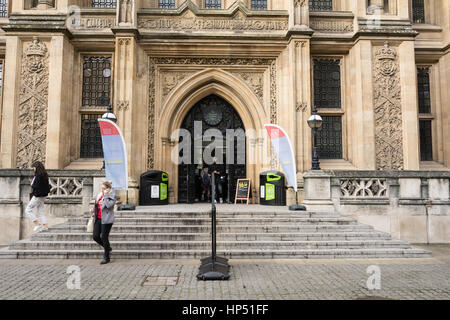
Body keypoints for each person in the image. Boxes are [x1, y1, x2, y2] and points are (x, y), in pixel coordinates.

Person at [91, 181, 116, 265]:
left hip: (107, 220)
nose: (102, 190)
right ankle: (108, 248)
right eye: (101, 188)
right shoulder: (98, 196)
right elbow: (97, 205)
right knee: (95, 236)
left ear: (108, 189)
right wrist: (93, 209)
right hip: (98, 218)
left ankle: (106, 257)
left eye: (104, 188)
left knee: (104, 237)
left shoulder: (112, 196)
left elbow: (108, 206)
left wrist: (105, 195)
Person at [26, 161, 51, 232]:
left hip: (38, 195)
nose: (33, 169)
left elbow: (36, 186)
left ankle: (37, 224)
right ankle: (45, 226)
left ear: (37, 167)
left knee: (28, 210)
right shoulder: (45, 175)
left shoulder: (38, 176)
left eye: (34, 167)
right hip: (44, 195)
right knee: (40, 211)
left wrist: (31, 183)